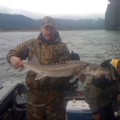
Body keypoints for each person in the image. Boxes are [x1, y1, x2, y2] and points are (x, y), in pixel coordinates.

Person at [6, 16, 80, 120]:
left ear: (55, 29)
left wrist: (75, 72)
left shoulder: (62, 47)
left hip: (56, 99)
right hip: (35, 98)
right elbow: (11, 53)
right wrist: (12, 58)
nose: (49, 32)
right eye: (46, 28)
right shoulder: (31, 44)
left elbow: (67, 78)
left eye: (51, 29)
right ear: (41, 28)